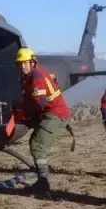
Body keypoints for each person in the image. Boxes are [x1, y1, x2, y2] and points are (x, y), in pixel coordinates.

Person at [12, 47, 73, 198]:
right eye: (19, 63)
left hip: (55, 114)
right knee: (35, 142)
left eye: (25, 63)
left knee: (38, 145)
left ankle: (43, 184)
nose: (22, 66)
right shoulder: (29, 76)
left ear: (32, 62)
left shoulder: (36, 76)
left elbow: (40, 102)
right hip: (49, 112)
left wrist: (24, 113)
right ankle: (41, 180)